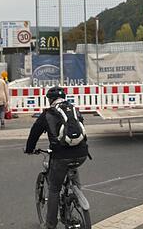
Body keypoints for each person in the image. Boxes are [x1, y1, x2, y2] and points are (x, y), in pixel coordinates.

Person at [25, 87, 89, 229]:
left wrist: (29, 149)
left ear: (49, 100)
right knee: (72, 168)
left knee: (54, 188)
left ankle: (50, 224)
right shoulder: (74, 110)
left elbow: (34, 133)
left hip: (61, 156)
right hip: (82, 154)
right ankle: (77, 194)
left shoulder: (48, 114)